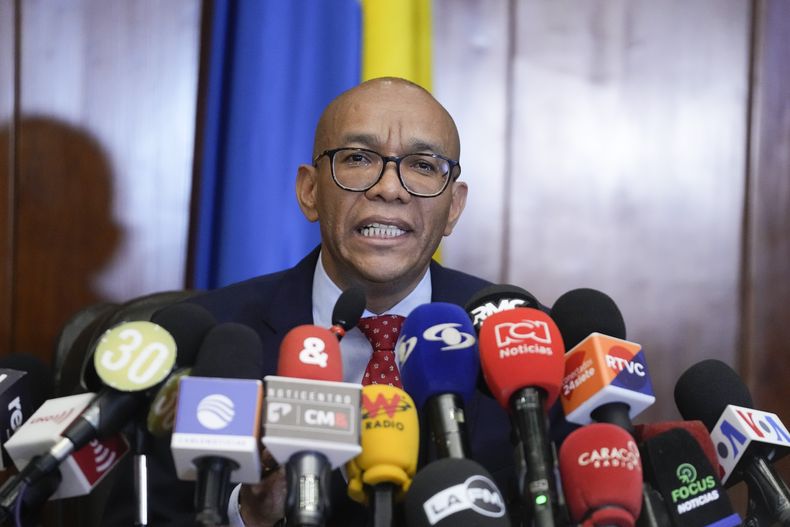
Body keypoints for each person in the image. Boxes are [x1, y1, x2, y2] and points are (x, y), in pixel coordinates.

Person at [103, 77, 516, 526]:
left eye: (422, 165)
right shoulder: (207, 342)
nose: (390, 189)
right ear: (310, 191)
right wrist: (246, 513)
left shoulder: (514, 337)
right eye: (359, 158)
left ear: (453, 207)